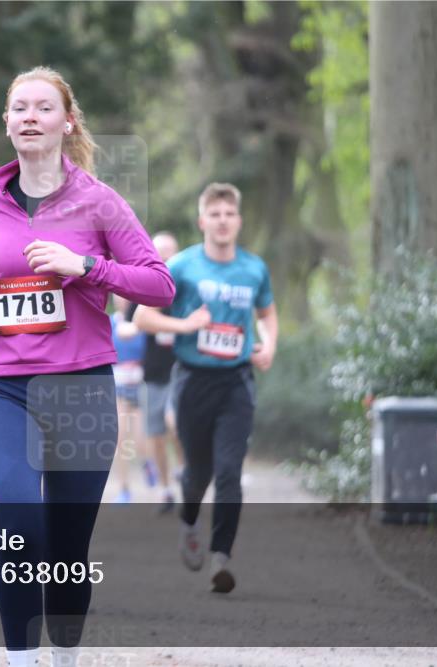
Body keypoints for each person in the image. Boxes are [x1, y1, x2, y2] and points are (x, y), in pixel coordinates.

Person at [0, 66, 174, 667]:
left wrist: (85, 267)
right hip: (0, 387)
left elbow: (159, 285)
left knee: (68, 546)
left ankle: (65, 657)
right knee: (22, 533)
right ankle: (22, 660)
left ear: (66, 121)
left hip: (80, 389)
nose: (29, 117)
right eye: (19, 107)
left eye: (43, 107)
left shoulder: (99, 201)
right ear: (7, 122)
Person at [133, 183, 278, 594]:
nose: (222, 221)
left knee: (230, 471)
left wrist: (268, 344)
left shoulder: (254, 268)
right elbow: (144, 317)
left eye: (229, 214)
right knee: (198, 473)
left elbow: (268, 314)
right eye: (214, 214)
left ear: (239, 221)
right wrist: (185, 325)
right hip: (193, 380)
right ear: (202, 222)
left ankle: (221, 558)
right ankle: (189, 518)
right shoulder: (180, 267)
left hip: (236, 381)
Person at [131, 232, 184, 513]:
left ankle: (185, 472)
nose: (165, 257)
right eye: (160, 252)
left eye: (170, 252)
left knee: (174, 420)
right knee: (156, 434)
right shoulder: (145, 286)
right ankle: (166, 489)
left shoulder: (186, 286)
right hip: (152, 371)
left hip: (181, 367)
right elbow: (129, 325)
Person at [109, 294, 146, 504]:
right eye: (116, 296)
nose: (120, 299)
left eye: (124, 295)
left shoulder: (142, 320)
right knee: (121, 440)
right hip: (118, 387)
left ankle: (147, 462)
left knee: (142, 440)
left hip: (142, 386)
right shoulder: (108, 323)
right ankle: (124, 489)